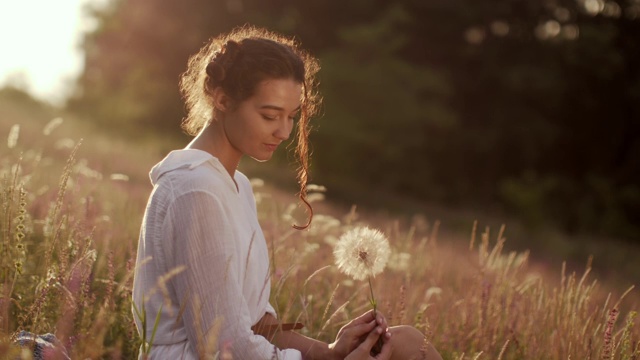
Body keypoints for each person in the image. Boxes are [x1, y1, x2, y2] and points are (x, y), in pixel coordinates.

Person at [132, 25, 442, 360]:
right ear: (221, 100)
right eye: (269, 115)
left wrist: (331, 352)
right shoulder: (195, 190)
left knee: (407, 343)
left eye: (292, 116)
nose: (283, 131)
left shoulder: (236, 187)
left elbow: (256, 325)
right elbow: (221, 347)